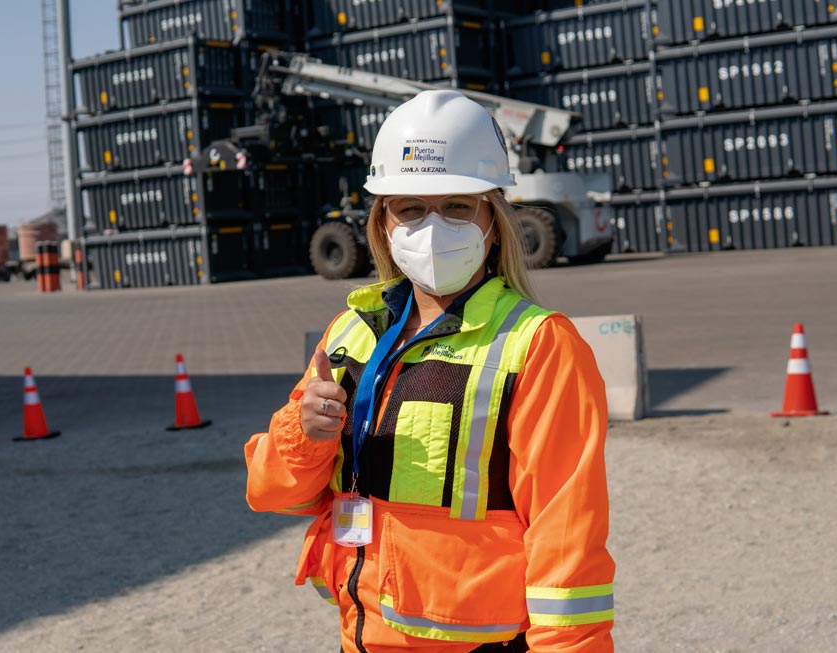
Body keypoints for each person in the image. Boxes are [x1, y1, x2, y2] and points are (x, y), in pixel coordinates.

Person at [244, 89, 614, 652]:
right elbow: (274, 494)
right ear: (383, 221)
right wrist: (308, 434)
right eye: (411, 208)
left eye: (458, 206)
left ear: (493, 217)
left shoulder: (539, 344)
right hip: (362, 638)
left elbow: (568, 536)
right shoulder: (352, 334)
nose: (432, 226)